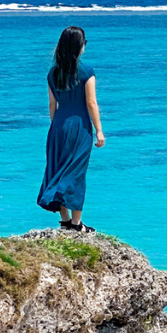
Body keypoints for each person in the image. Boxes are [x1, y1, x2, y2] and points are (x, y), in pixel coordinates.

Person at [36, 26, 105, 231]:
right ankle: (77, 223)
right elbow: (91, 104)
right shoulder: (86, 72)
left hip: (58, 125)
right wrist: (99, 130)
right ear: (79, 47)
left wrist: (56, 126)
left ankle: (65, 220)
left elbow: (52, 105)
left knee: (57, 168)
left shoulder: (52, 73)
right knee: (76, 172)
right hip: (79, 127)